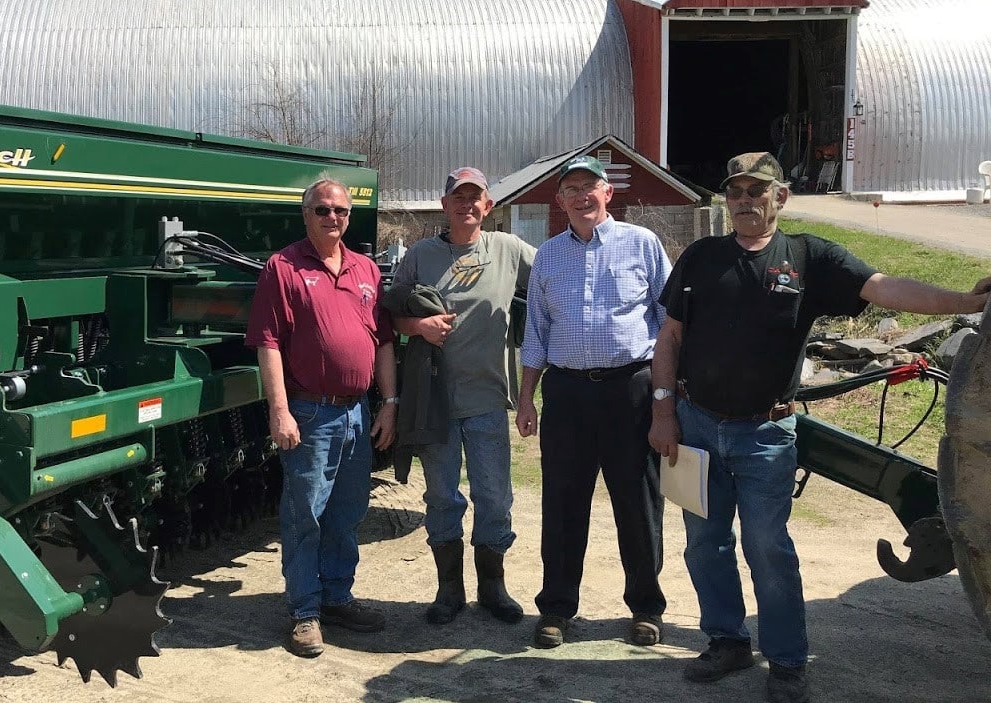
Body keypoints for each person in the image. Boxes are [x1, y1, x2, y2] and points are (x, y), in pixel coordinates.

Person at [647, 152, 991, 703]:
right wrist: (663, 413)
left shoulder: (809, 257)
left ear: (780, 197)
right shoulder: (700, 257)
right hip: (695, 427)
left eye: (756, 191)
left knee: (768, 547)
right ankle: (727, 641)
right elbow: (669, 338)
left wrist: (967, 302)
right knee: (705, 544)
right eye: (735, 191)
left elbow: (885, 288)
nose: (744, 200)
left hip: (766, 434)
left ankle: (785, 660)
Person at [515, 155, 672, 649]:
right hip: (566, 393)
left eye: (590, 187)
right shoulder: (548, 255)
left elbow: (670, 321)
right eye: (570, 190)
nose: (581, 196)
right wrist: (526, 398)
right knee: (562, 502)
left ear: (607, 193)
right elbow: (536, 333)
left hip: (631, 390)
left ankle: (646, 607)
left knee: (637, 501)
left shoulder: (642, 244)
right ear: (559, 201)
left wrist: (669, 396)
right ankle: (557, 608)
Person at [245, 178, 399, 658]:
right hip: (309, 413)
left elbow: (384, 343)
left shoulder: (366, 269)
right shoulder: (284, 267)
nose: (333, 218)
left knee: (348, 512)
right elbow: (267, 343)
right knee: (304, 513)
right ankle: (304, 611)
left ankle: (337, 597)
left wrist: (389, 403)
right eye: (322, 210)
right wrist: (279, 411)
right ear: (305, 215)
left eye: (341, 211)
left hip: (357, 412)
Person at [388, 166, 536, 625]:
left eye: (476, 198)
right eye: (459, 197)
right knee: (442, 497)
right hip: (436, 400)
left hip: (489, 399)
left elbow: (557, 279)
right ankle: (449, 590)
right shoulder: (419, 256)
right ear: (444, 204)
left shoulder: (509, 250)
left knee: (495, 497)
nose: (467, 205)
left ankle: (493, 587)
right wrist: (417, 326)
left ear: (488, 206)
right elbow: (389, 314)